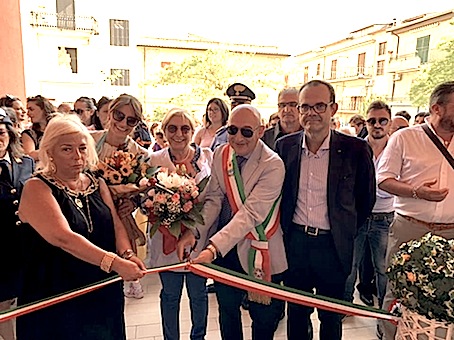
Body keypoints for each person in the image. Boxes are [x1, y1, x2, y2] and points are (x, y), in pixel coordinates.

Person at [16, 114, 146, 340]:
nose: (77, 156)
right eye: (67, 149)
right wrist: (115, 263)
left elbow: (115, 224)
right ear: (50, 152)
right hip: (56, 293)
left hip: (101, 289)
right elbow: (63, 238)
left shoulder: (98, 182)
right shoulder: (36, 187)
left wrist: (127, 254)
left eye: (82, 148)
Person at [275, 80, 375, 340]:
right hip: (295, 244)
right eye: (305, 107)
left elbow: (365, 200)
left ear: (333, 109)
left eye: (319, 105)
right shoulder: (285, 147)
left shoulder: (356, 149)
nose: (311, 113)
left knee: (331, 317)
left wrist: (345, 230)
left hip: (333, 246)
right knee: (296, 314)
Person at [178, 104, 287, 340]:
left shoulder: (273, 164)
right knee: (227, 313)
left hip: (259, 249)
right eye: (233, 130)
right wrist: (194, 232)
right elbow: (214, 200)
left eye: (246, 131)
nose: (238, 138)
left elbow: (250, 214)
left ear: (261, 131)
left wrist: (212, 248)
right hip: (225, 253)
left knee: (263, 320)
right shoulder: (222, 154)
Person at [377, 81, 454, 340]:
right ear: (437, 108)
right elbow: (383, 179)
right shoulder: (405, 137)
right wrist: (416, 191)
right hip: (410, 229)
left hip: (451, 234)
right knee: (398, 292)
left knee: (447, 299)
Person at [147, 108, 212, 340]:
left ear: (192, 131)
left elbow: (214, 196)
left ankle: (199, 337)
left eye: (185, 129)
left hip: (198, 237)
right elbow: (144, 197)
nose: (179, 134)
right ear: (163, 132)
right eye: (172, 128)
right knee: (170, 295)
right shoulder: (154, 160)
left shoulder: (207, 156)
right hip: (166, 238)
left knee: (198, 294)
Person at [90, 93, 149, 299]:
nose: (123, 123)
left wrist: (131, 202)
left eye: (131, 120)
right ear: (110, 113)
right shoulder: (89, 141)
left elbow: (145, 191)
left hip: (120, 223)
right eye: (119, 115)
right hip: (89, 217)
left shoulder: (140, 153)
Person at [344, 101, 394, 310]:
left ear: (389, 123)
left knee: (383, 269)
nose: (377, 125)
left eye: (382, 120)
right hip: (358, 217)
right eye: (372, 121)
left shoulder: (397, 149)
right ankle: (344, 307)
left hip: (384, 218)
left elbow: (393, 187)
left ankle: (384, 314)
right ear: (366, 123)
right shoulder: (355, 148)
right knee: (350, 266)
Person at [0, 109, 34, 340]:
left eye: (0, 132)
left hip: (26, 247)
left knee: (27, 303)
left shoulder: (26, 163)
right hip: (0, 251)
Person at [210, 83, 255, 150]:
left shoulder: (257, 133)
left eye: (241, 104)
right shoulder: (221, 135)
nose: (236, 107)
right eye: (233, 104)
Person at [22, 95, 58, 161]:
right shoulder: (30, 133)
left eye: (31, 109)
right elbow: (30, 155)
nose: (28, 113)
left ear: (43, 109)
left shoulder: (58, 129)